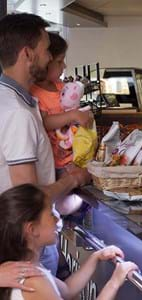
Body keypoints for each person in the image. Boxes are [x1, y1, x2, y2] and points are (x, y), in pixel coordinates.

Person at [0, 12, 92, 280]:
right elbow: (28, 196)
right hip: (22, 244)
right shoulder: (17, 112)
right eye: (46, 50)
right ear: (28, 54)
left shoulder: (16, 102)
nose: (51, 57)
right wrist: (73, 179)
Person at [0, 184, 138, 300]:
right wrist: (115, 282)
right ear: (32, 229)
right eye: (51, 214)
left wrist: (96, 257)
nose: (57, 218)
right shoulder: (35, 281)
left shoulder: (24, 267)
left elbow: (67, 290)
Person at [31, 32, 93, 178]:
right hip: (55, 161)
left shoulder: (60, 86)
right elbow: (44, 122)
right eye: (59, 61)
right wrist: (72, 115)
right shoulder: (35, 92)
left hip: (74, 155)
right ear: (45, 61)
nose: (64, 66)